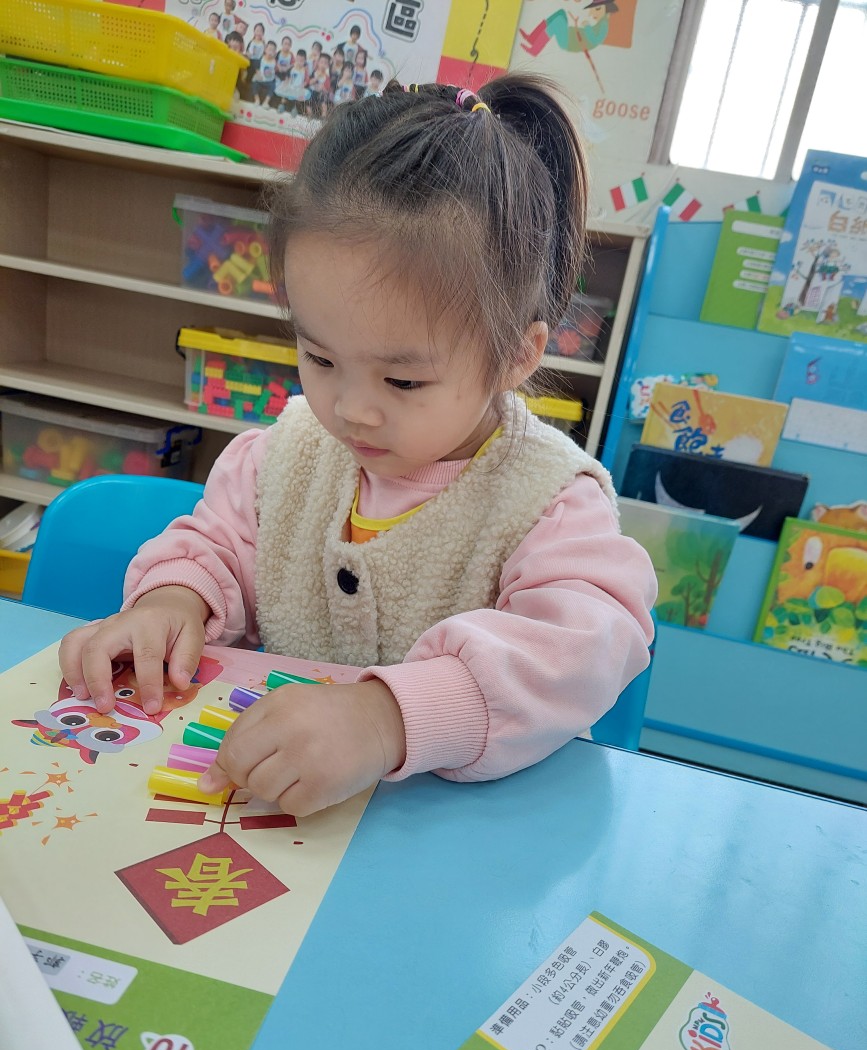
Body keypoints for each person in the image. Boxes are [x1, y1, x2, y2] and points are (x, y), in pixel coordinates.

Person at [59, 77, 656, 818]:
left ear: (515, 356)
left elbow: (580, 649)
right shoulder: (281, 458)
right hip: (279, 828)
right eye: (319, 357)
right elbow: (214, 547)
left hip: (453, 841)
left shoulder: (551, 503)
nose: (349, 409)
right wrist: (173, 598)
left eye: (402, 380)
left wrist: (387, 719)